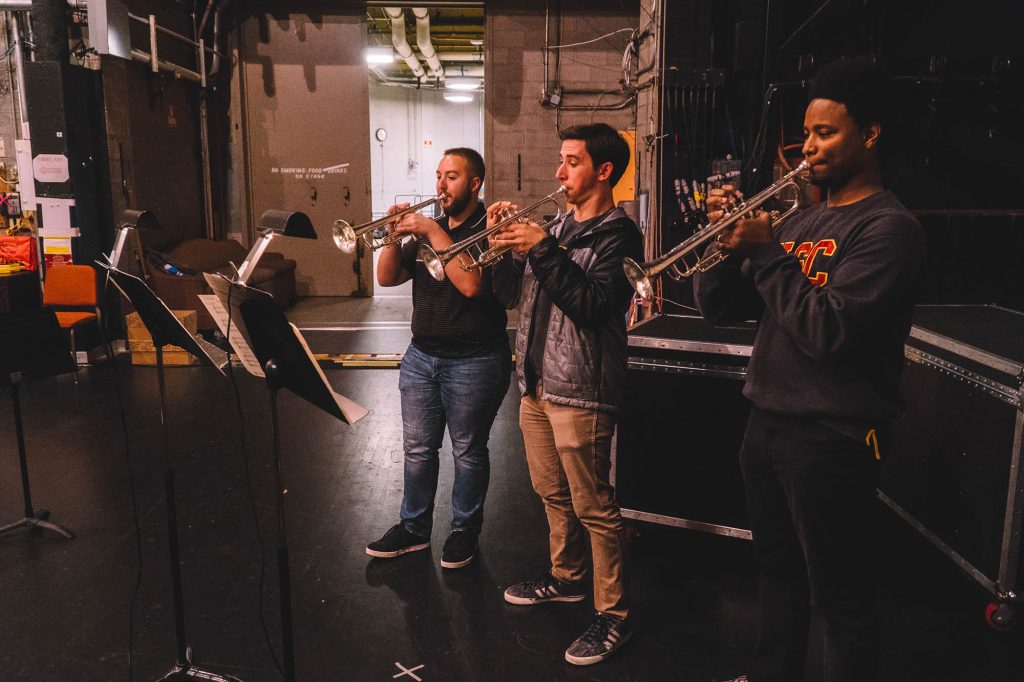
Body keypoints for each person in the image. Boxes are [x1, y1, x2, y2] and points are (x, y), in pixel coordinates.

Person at [694, 59, 925, 682]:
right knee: (777, 571)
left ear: (869, 135)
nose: (808, 148)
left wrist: (767, 253)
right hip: (767, 424)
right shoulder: (800, 220)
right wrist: (723, 242)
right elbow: (717, 307)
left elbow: (832, 332)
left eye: (825, 133)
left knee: (840, 597)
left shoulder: (888, 228)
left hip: (833, 437)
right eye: (806, 133)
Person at [488, 123, 643, 666]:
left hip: (581, 389)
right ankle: (567, 577)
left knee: (594, 505)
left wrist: (543, 247)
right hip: (535, 383)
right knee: (551, 492)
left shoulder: (619, 235)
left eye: (570, 162)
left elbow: (595, 306)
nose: (558, 173)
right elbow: (512, 297)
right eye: (560, 160)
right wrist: (505, 249)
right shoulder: (555, 226)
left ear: (603, 171)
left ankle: (614, 615)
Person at [366, 147, 511, 570]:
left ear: (475, 183)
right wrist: (395, 235)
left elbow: (471, 286)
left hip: (476, 361)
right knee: (417, 450)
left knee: (468, 451)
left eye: (451, 177)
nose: (441, 186)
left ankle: (464, 531)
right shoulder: (432, 228)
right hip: (421, 358)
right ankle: (413, 529)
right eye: (438, 176)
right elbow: (387, 277)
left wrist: (431, 231)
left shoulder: (491, 226)